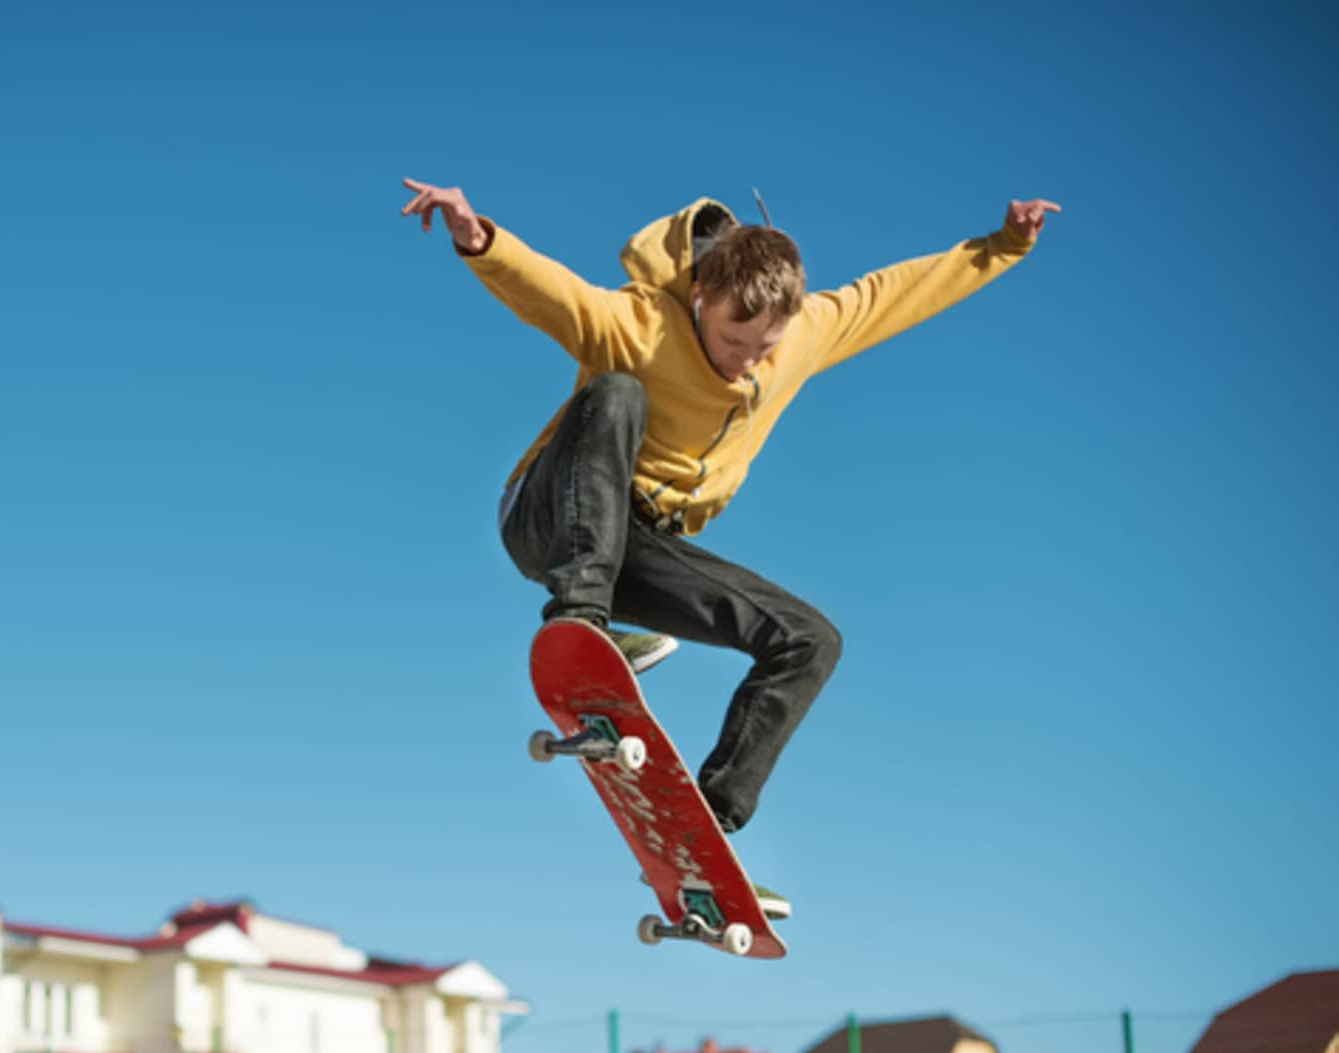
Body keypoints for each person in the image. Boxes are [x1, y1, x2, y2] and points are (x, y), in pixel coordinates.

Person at [403, 179, 1060, 911]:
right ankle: (581, 621)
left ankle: (700, 833)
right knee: (616, 391)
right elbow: (556, 296)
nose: (746, 360)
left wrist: (1002, 248)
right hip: (548, 519)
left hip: (641, 544)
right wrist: (476, 237)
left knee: (810, 640)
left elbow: (895, 292)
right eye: (731, 340)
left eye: (763, 346)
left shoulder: (804, 333)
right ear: (697, 300)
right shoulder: (641, 323)